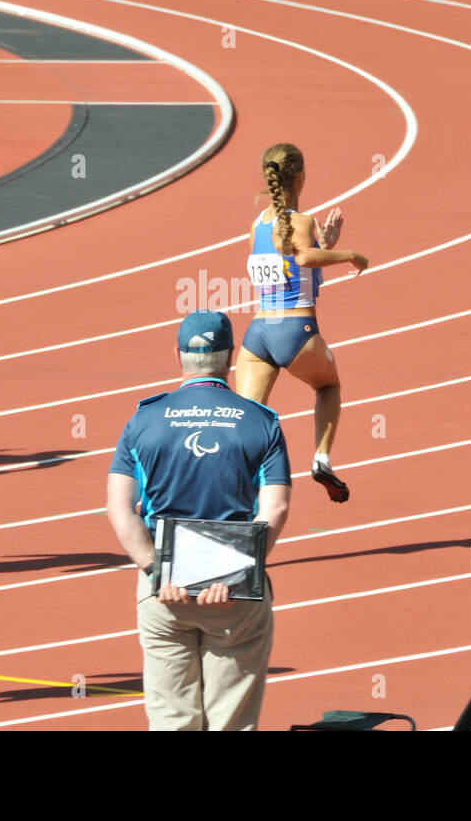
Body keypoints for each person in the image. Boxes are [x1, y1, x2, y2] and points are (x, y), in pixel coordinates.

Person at [106, 311, 291, 730]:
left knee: (172, 718)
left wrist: (155, 569)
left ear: (178, 355)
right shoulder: (260, 421)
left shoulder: (143, 420)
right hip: (233, 594)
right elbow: (275, 508)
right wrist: (235, 573)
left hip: (162, 590)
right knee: (231, 719)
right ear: (232, 360)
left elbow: (119, 508)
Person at [234, 143, 368, 503]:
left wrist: (324, 243)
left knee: (248, 417)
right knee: (328, 387)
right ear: (301, 177)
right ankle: (321, 458)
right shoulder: (302, 222)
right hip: (296, 331)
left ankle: (238, 476)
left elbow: (288, 266)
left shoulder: (255, 226)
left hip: (258, 333)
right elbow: (303, 258)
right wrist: (348, 254)